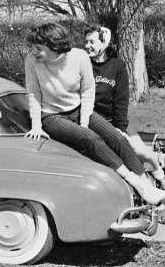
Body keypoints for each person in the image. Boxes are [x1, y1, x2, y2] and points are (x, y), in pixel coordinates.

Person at [24, 22, 165, 204]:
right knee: (91, 139)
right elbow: (33, 93)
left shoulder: (79, 57)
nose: (34, 52)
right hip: (52, 116)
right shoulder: (32, 61)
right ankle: (136, 184)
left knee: (118, 138)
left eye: (38, 48)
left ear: (54, 45)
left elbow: (88, 90)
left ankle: (148, 188)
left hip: (79, 109)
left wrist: (84, 122)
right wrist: (36, 125)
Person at [84, 25, 165, 189]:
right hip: (93, 123)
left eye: (91, 42)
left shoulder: (117, 66)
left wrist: (120, 128)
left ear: (104, 43)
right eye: (85, 42)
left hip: (114, 121)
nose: (87, 46)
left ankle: (159, 173)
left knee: (142, 152)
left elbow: (121, 100)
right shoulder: (83, 65)